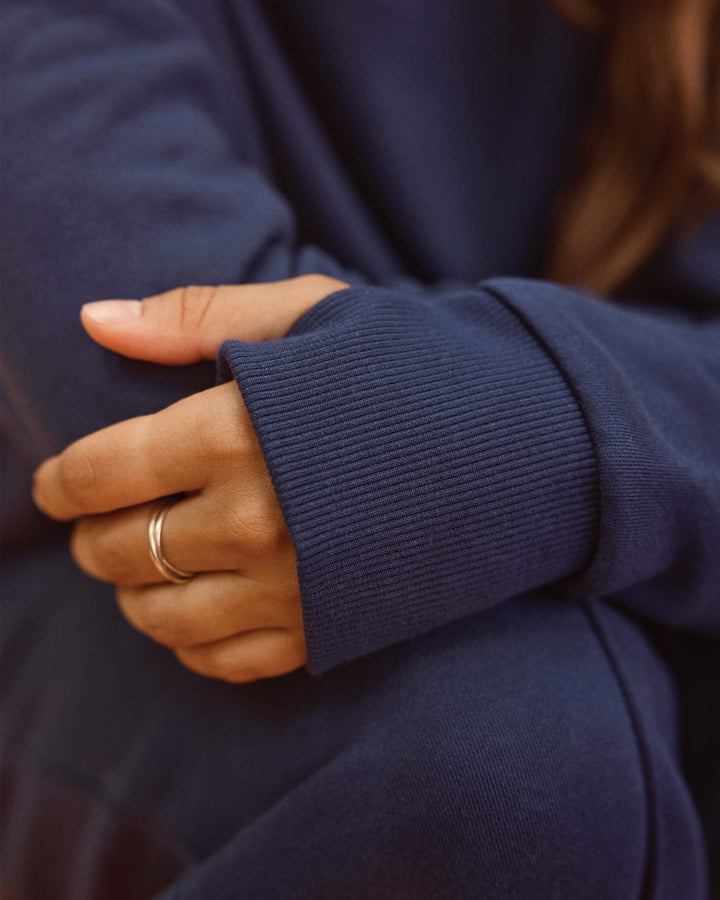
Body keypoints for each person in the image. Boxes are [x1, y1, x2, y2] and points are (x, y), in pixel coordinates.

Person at [2, 0, 719, 897]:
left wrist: (547, 424)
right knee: (506, 749)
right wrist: (546, 434)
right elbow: (134, 372)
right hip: (88, 617)